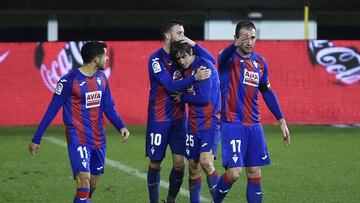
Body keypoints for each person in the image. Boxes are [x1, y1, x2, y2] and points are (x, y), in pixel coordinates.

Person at [28, 41, 130, 203]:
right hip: (78, 136)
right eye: (105, 55)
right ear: (96, 59)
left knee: (92, 185)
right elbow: (52, 109)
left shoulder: (102, 78)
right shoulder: (68, 81)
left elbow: (108, 106)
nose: (107, 58)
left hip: (99, 138)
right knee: (84, 180)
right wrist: (36, 138)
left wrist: (121, 126)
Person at [213, 20, 291, 203]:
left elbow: (267, 91)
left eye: (253, 38)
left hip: (254, 125)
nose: (249, 42)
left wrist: (281, 120)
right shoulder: (228, 59)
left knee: (255, 171)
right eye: (245, 38)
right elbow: (221, 58)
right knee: (234, 173)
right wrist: (234, 46)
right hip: (232, 123)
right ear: (236, 38)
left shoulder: (260, 63)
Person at [146, 19, 215, 203]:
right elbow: (169, 85)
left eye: (184, 33)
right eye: (179, 33)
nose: (182, 37)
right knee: (155, 162)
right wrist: (194, 78)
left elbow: (211, 60)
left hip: (178, 119)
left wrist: (193, 44)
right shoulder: (156, 59)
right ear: (168, 35)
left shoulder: (180, 57)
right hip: (159, 118)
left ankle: (170, 199)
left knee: (179, 164)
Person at [170, 41, 221, 203]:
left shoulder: (203, 66)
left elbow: (204, 99)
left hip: (210, 121)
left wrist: (183, 97)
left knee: (206, 162)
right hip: (192, 123)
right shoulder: (184, 71)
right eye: (178, 59)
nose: (182, 61)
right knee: (193, 167)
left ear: (191, 52)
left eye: (184, 57)